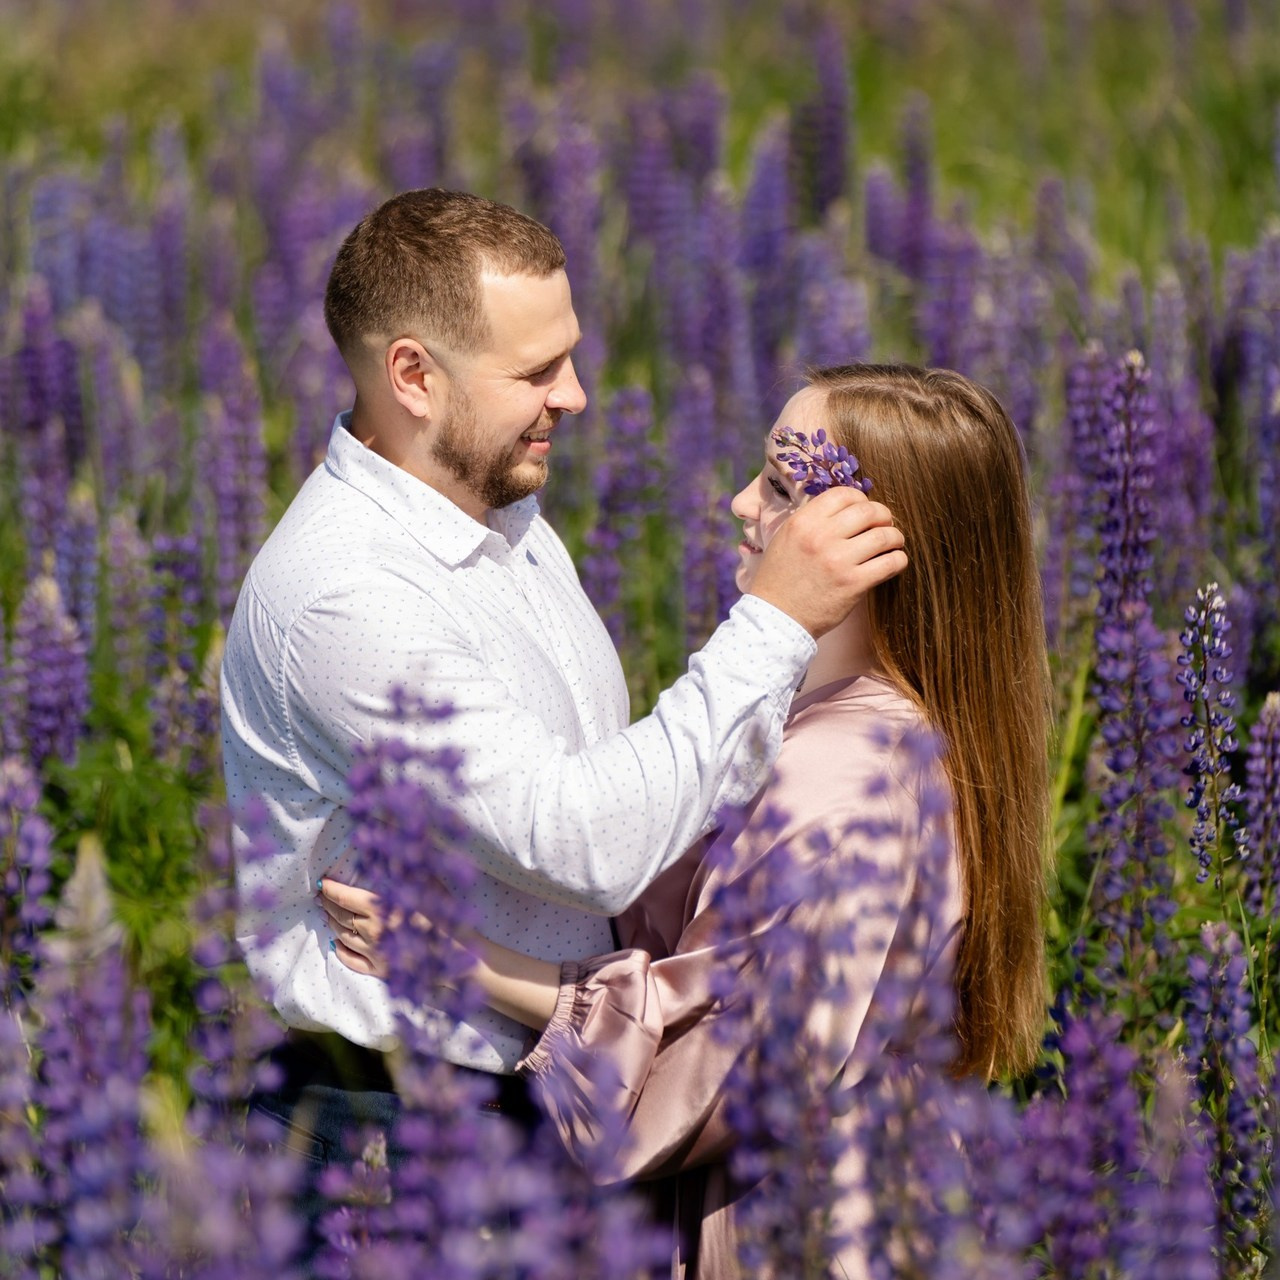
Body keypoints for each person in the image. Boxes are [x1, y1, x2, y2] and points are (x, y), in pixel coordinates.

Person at [219, 189, 907, 1163]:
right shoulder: (345, 595)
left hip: (553, 1085)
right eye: (536, 369)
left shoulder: (496, 518)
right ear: (412, 374)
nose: (575, 393)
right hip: (393, 1127)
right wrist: (775, 619)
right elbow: (584, 842)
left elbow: (620, 803)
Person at [321, 362, 1052, 1277]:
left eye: (784, 489)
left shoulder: (843, 774)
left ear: (868, 542)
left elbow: (707, 1073)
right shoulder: (836, 722)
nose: (742, 503)